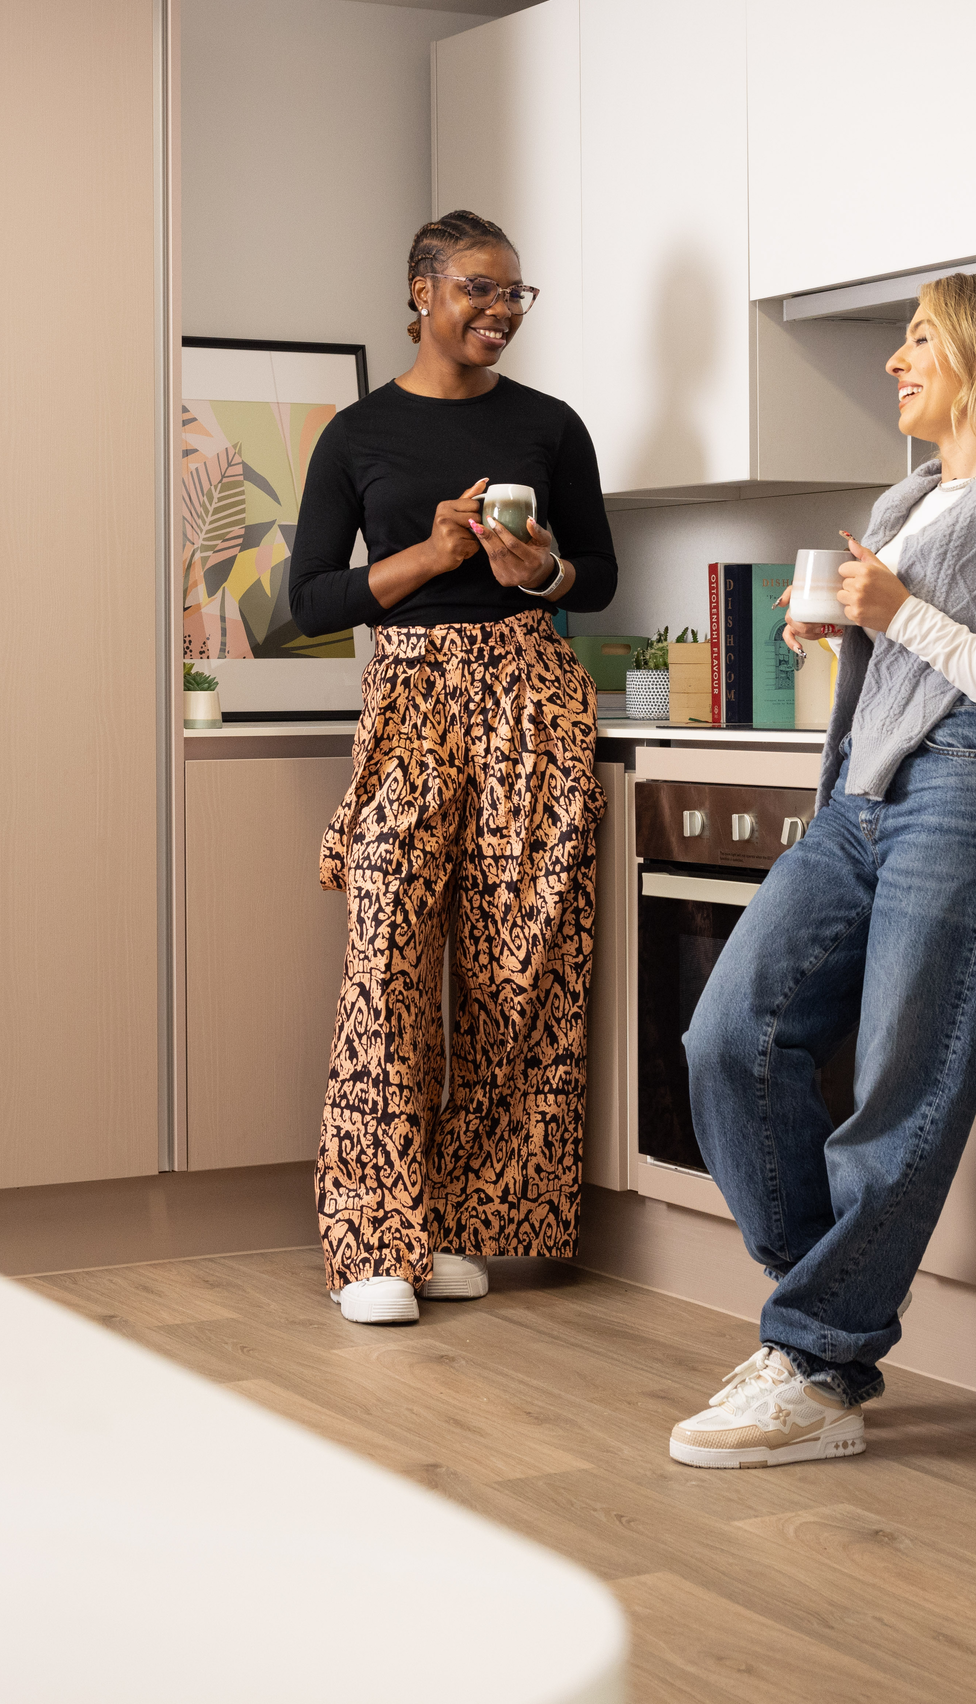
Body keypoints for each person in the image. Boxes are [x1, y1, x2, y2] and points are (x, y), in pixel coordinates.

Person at [668, 271, 976, 1464]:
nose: (895, 359)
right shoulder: (908, 502)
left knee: (902, 1096)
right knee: (727, 1039)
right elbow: (915, 644)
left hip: (971, 798)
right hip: (861, 801)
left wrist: (896, 616)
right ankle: (821, 1326)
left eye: (921, 339)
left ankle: (815, 1359)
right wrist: (848, 624)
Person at [286, 209, 619, 1326]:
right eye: (481, 288)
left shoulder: (552, 427)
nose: (502, 311)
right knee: (385, 960)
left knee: (516, 968)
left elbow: (600, 578)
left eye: (518, 294)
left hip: (531, 689)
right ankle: (374, 1236)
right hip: (412, 698)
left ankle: (467, 1222)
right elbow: (306, 605)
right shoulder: (356, 435)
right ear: (420, 291)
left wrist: (539, 567)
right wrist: (430, 554)